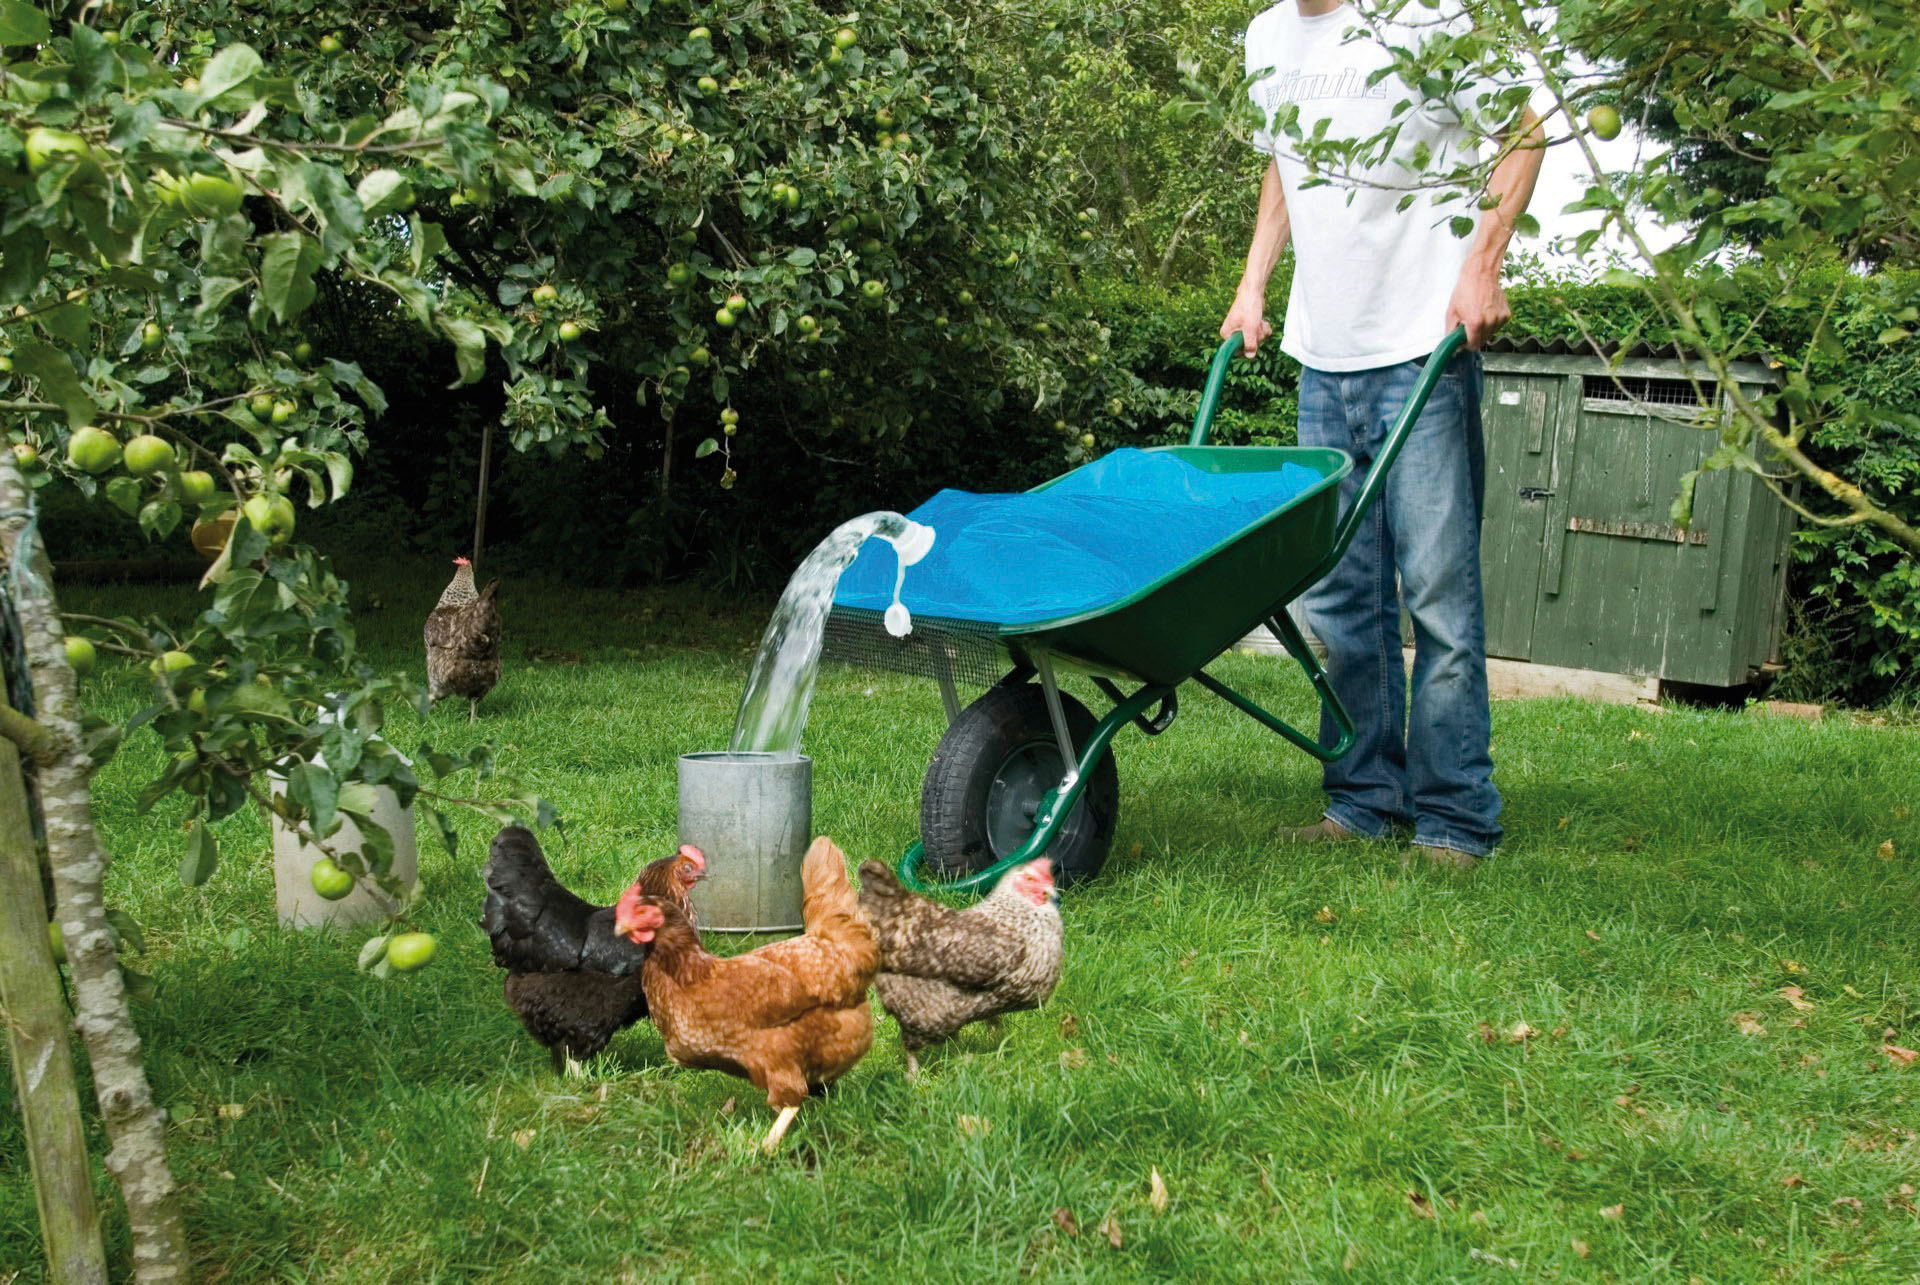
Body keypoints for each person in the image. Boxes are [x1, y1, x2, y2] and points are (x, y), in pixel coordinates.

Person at [1220, 0, 1543, 869]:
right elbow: (1285, 164)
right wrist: (1254, 282)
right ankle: (1363, 798)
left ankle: (1455, 817)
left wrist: (1482, 268)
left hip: (1420, 349)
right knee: (1343, 600)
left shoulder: (1426, 15)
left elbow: (1525, 131)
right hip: (1323, 357)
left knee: (1437, 593)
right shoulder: (1267, 36)